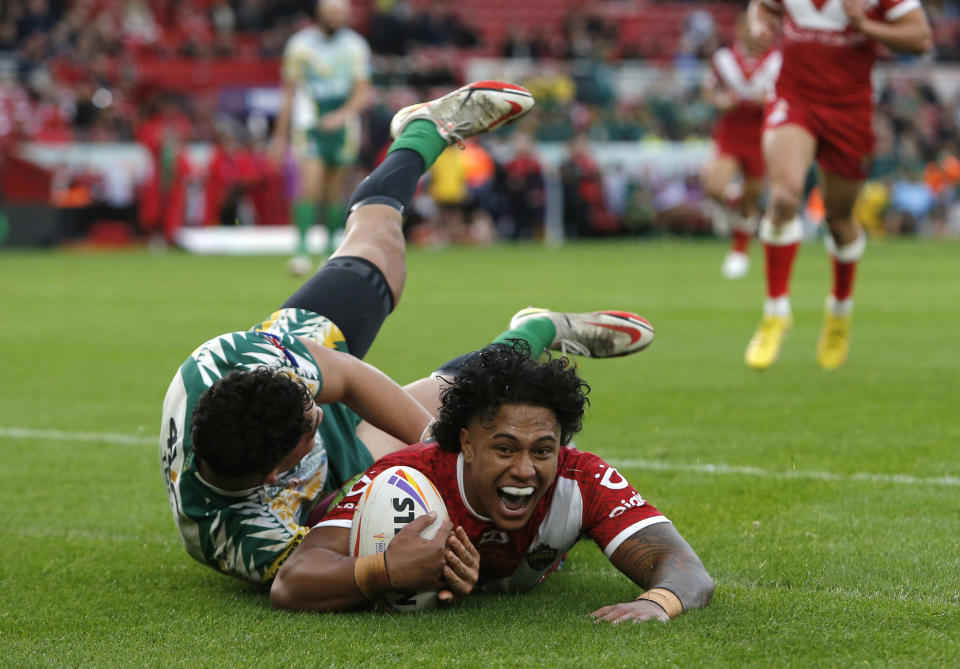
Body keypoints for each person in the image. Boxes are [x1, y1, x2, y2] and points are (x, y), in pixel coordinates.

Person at [160, 80, 537, 584]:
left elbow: (349, 378)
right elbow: (303, 579)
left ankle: (423, 131)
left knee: (381, 255)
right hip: (328, 482)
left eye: (308, 402)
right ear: (277, 474)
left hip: (296, 354)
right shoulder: (237, 538)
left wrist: (436, 450)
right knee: (462, 401)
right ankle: (536, 329)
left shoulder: (229, 362)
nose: (319, 410)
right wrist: (386, 567)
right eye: (311, 422)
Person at [270, 342, 714, 623]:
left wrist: (658, 603)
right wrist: (386, 571)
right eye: (504, 448)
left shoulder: (580, 477)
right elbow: (291, 582)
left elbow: (683, 566)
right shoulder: (406, 477)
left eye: (542, 450)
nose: (525, 469)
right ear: (466, 443)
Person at [744, 0, 932, 369]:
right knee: (783, 198)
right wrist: (758, 28)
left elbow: (920, 38)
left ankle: (839, 313)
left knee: (840, 220)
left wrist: (864, 24)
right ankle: (775, 312)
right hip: (794, 97)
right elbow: (763, 6)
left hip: (850, 109)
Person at [271, 0, 372, 275]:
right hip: (310, 121)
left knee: (335, 189)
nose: (336, 18)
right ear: (320, 14)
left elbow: (362, 91)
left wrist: (341, 116)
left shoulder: (356, 46)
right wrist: (280, 136)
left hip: (343, 123)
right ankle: (301, 250)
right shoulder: (300, 45)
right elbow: (289, 91)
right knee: (309, 186)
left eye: (340, 13)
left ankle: (332, 250)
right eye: (331, 13)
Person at [700, 14, 781, 279]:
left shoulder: (776, 60)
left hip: (761, 135)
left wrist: (767, 101)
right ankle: (735, 205)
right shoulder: (724, 59)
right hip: (731, 134)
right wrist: (719, 101)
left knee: (753, 193)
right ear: (738, 29)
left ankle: (739, 251)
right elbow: (708, 90)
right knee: (714, 186)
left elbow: (783, 94)